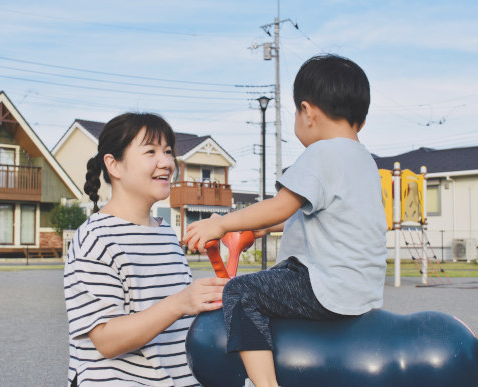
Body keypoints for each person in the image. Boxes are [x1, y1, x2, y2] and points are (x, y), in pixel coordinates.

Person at [183, 54, 388, 387]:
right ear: (360, 122)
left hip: (325, 285)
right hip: (361, 289)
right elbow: (322, 216)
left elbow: (281, 205)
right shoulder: (364, 161)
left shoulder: (321, 153)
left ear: (307, 112)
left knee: (241, 291)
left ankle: (264, 384)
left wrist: (221, 224)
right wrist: (265, 227)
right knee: (270, 278)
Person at [64, 113, 228, 386]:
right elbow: (106, 340)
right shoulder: (95, 239)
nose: (166, 162)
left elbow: (177, 320)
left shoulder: (164, 232)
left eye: (167, 152)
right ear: (114, 165)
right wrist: (181, 303)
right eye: (150, 151)